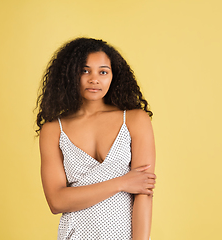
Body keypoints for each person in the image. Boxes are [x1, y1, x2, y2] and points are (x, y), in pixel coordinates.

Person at [35, 37, 156, 240]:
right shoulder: (53, 129)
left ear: (113, 76)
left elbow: (144, 191)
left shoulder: (135, 120)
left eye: (103, 72)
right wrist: (121, 183)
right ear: (70, 74)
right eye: (85, 71)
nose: (94, 79)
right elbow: (56, 201)